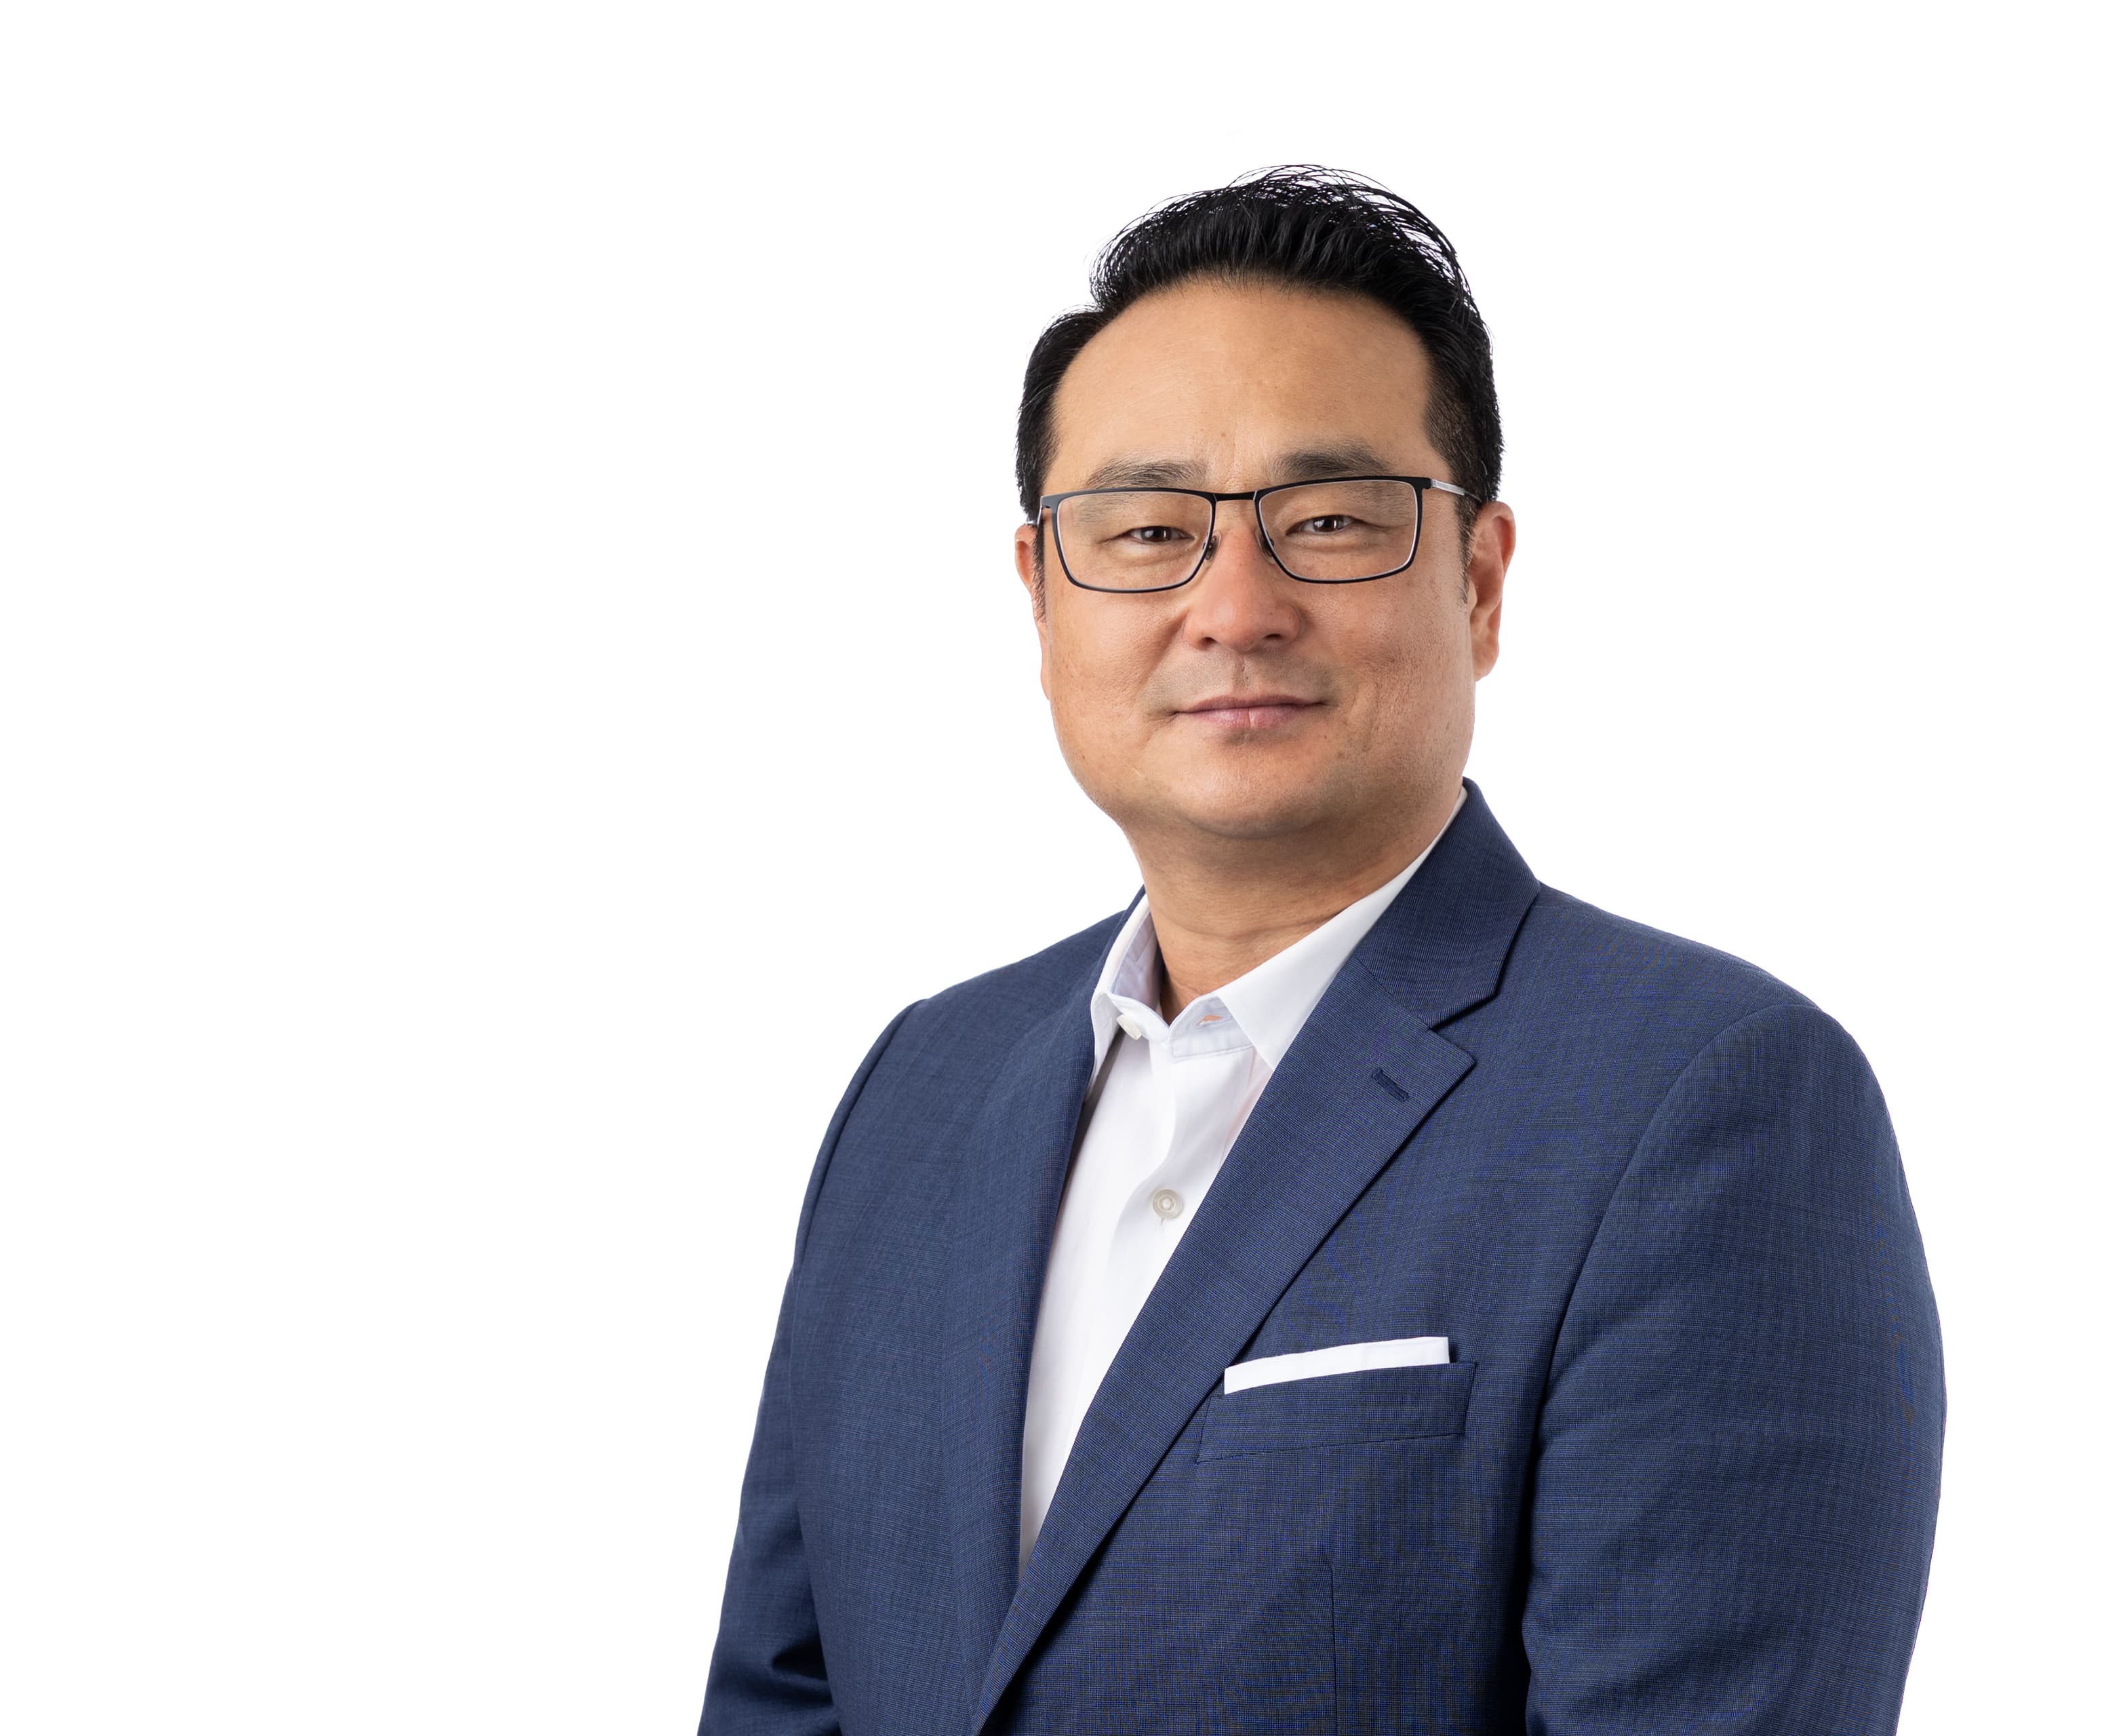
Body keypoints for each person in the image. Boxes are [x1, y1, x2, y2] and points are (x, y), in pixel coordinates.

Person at [700, 166, 1944, 1735]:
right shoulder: (919, 1089)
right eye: (1147, 527)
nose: (1234, 603)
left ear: (1479, 582)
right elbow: (781, 1700)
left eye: (1332, 521)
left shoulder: (1708, 1105)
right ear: (1040, 596)